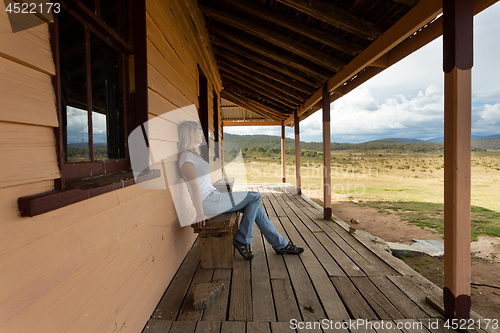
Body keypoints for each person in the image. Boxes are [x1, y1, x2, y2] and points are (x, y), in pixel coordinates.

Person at [178, 121, 304, 260]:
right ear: (189, 134)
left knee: (258, 210)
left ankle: (281, 245)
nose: (202, 134)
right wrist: (200, 213)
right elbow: (194, 187)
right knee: (255, 197)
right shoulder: (186, 157)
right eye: (198, 131)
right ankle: (242, 238)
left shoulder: (194, 154)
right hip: (208, 201)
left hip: (214, 196)